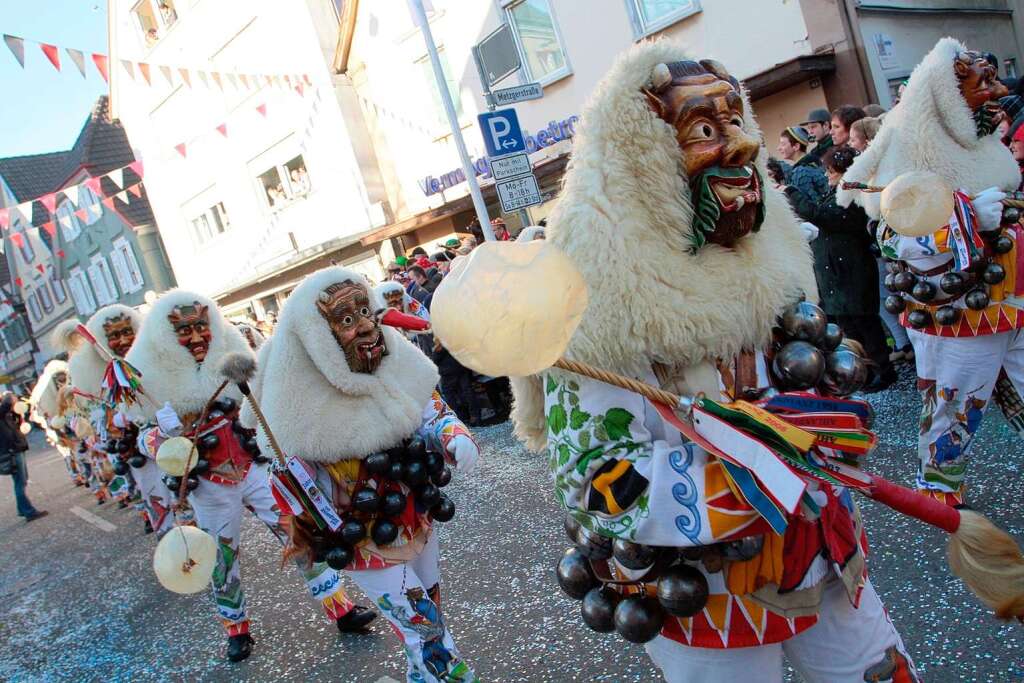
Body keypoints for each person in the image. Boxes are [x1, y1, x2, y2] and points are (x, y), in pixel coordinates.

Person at [509, 46, 915, 682]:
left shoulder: (772, 254)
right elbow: (597, 478)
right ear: (646, 158)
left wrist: (831, 426)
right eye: (704, 130)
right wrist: (761, 479)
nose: (740, 148)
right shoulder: (592, 301)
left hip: (819, 554)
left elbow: (814, 365)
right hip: (701, 591)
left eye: (737, 122)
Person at [241, 266, 480, 682]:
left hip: (416, 512)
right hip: (362, 535)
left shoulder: (390, 357)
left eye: (365, 312)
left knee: (430, 614)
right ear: (317, 335)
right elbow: (291, 491)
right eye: (347, 321)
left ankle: (420, 677)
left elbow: (428, 403)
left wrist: (453, 433)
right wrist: (295, 484)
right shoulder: (295, 400)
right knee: (427, 631)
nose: (368, 327)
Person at [126, 290, 376, 662]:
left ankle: (341, 608)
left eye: (201, 326)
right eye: (184, 330)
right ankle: (236, 629)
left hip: (254, 468)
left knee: (301, 535)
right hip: (209, 485)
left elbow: (262, 402)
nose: (196, 337)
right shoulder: (150, 378)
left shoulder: (232, 353)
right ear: (165, 337)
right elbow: (143, 441)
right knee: (220, 559)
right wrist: (162, 433)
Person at [838, 39, 1020, 507]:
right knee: (954, 405)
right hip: (962, 310)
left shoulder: (979, 136)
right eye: (985, 83)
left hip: (1015, 290)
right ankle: (937, 494)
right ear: (947, 92)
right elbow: (890, 237)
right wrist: (965, 220)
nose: (998, 89)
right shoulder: (909, 140)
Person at [809, 146, 897, 391]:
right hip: (836, 274)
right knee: (850, 328)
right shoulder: (832, 194)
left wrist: (793, 195)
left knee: (866, 325)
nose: (827, 176)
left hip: (853, 271)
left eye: (832, 171)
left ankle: (883, 370)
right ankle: (863, 371)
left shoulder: (855, 197)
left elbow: (828, 217)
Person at [1, 392, 47, 522]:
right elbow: (6, 404)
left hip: (14, 449)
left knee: (21, 480)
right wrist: (9, 397)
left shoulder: (5, 413)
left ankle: (22, 509)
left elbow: (13, 412)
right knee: (20, 482)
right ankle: (29, 512)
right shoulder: (2, 410)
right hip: (11, 451)